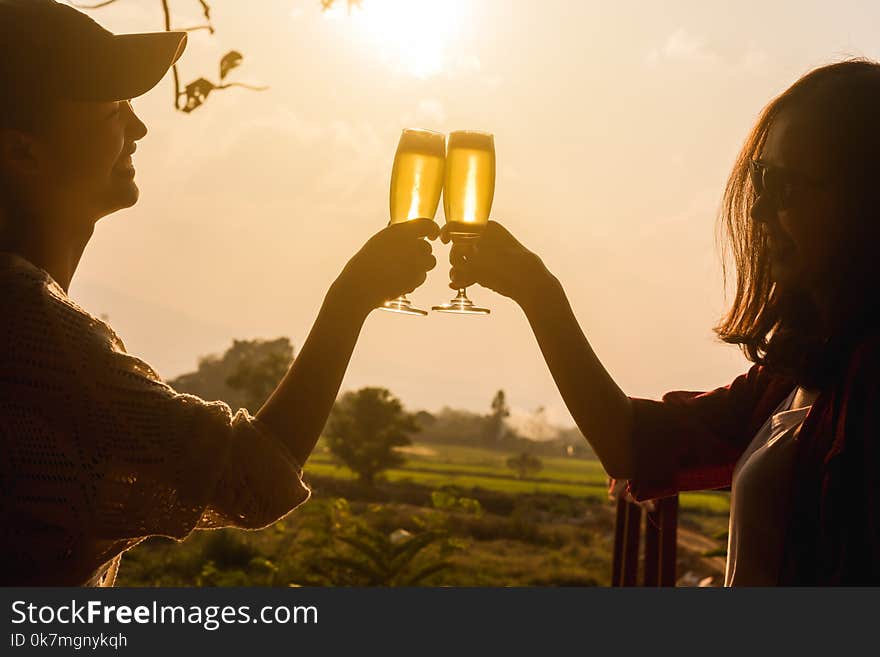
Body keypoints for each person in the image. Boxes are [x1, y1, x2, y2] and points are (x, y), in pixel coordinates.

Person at [0, 0, 437, 585]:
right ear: (21, 152)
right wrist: (351, 298)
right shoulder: (32, 328)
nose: (139, 128)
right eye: (112, 110)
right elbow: (252, 477)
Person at [447, 59, 880, 585]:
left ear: (863, 197)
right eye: (760, 180)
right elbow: (631, 443)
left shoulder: (866, 381)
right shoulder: (796, 375)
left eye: (786, 186)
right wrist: (539, 294)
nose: (761, 210)